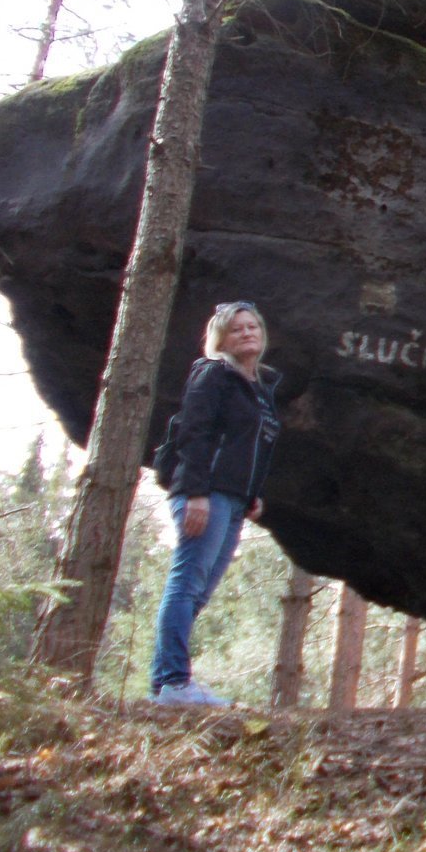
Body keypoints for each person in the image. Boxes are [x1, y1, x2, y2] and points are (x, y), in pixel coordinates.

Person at [150, 301, 281, 707]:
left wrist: (253, 492)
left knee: (199, 591)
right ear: (220, 339)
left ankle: (167, 683)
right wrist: (196, 493)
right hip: (205, 493)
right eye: (237, 329)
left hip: (233, 499)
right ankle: (173, 682)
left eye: (253, 326)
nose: (247, 333)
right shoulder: (213, 375)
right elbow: (196, 434)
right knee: (187, 582)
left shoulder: (259, 391)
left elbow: (250, 447)